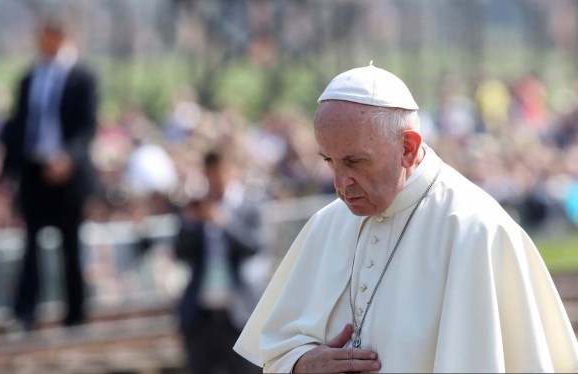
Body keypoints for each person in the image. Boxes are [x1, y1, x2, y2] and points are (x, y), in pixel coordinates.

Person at [234, 64, 578, 373]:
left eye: (354, 162)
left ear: (407, 148)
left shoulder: (476, 231)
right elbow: (276, 351)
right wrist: (301, 365)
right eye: (329, 161)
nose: (340, 184)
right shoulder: (327, 225)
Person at [0, 15, 98, 331]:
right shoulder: (30, 78)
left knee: (70, 245)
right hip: (35, 170)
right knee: (31, 244)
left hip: (69, 173)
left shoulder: (82, 77)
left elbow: (87, 127)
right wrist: (5, 169)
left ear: (61, 37)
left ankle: (75, 315)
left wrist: (68, 158)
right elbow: (19, 125)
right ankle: (25, 312)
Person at [174, 150, 264, 374]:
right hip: (201, 315)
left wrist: (224, 223)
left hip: (238, 313)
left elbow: (254, 246)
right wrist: (193, 220)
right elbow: (179, 251)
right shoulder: (196, 208)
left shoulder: (248, 208)